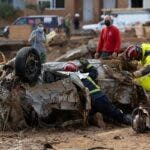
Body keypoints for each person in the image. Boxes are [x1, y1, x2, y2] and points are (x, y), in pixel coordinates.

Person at [63, 59, 131, 125]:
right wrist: (87, 65)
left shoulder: (70, 80)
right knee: (112, 111)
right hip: (99, 97)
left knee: (101, 113)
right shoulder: (85, 75)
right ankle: (127, 120)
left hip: (90, 102)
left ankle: (96, 119)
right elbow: (94, 72)